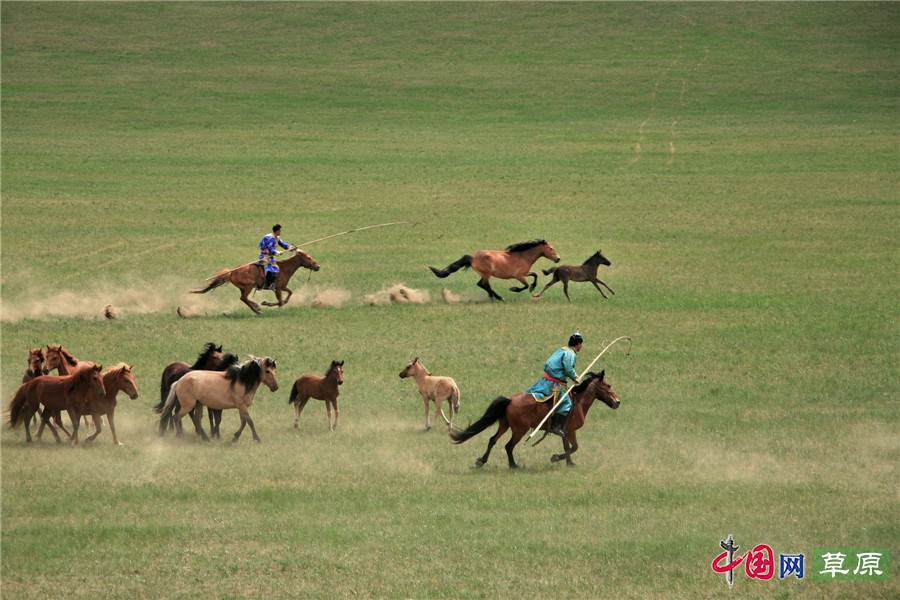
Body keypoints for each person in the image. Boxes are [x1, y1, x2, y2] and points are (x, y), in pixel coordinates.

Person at [524, 330, 583, 436]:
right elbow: (568, 368)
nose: (582, 346)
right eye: (581, 344)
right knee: (566, 403)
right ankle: (555, 426)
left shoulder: (562, 349)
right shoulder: (570, 354)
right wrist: (576, 378)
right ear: (578, 344)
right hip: (555, 384)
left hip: (545, 380)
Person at [258, 224, 296, 290]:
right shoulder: (270, 238)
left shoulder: (277, 237)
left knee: (276, 267)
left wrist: (290, 248)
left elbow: (283, 244)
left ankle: (271, 284)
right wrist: (277, 252)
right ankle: (267, 284)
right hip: (265, 256)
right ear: (277, 231)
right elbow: (270, 248)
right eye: (280, 230)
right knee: (274, 267)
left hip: (270, 257)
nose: (281, 232)